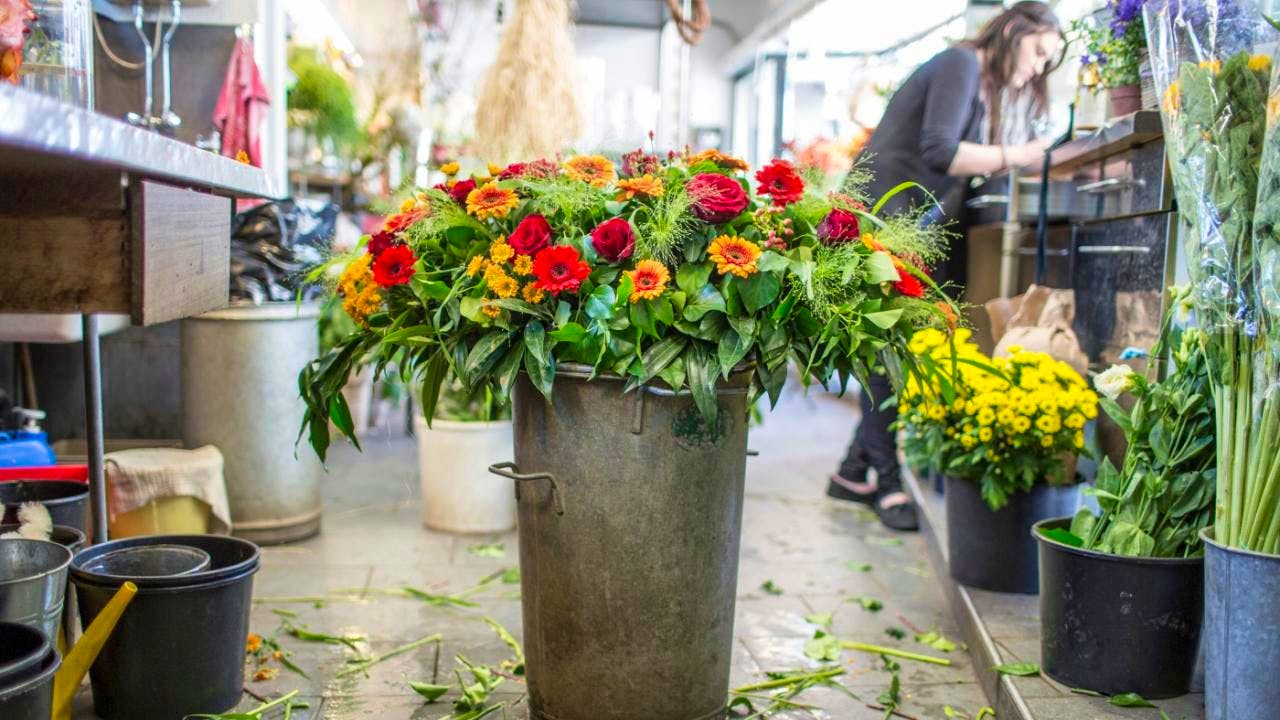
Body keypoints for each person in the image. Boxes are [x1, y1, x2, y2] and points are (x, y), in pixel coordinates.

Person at [826, 1, 1065, 531]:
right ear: (1015, 31)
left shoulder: (979, 81)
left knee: (892, 344)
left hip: (900, 218)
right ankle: (887, 486)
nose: (1039, 67)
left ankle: (852, 470)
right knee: (887, 347)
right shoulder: (962, 62)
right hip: (884, 214)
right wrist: (1020, 153)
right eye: (1039, 52)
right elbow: (941, 151)